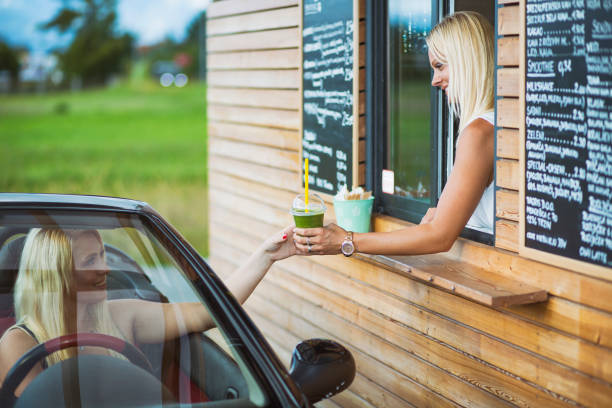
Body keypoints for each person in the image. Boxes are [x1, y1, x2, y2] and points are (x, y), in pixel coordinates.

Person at [0, 225, 296, 396]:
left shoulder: (121, 315)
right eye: (90, 261)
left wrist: (266, 256)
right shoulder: (18, 342)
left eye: (102, 255)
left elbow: (208, 312)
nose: (105, 268)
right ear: (58, 274)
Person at [294, 11, 495, 256]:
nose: (434, 80)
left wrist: (347, 240)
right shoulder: (487, 126)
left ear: (466, 61)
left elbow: (440, 236)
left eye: (439, 66)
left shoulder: (478, 133)